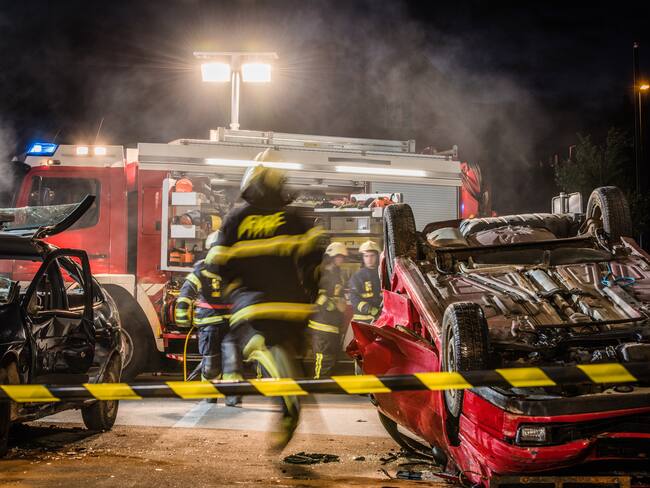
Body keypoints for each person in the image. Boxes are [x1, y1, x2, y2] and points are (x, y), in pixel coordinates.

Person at [206, 160, 324, 450]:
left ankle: (287, 397)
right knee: (292, 353)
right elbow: (314, 262)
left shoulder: (236, 219)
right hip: (295, 307)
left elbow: (215, 264)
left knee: (251, 343)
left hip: (254, 306)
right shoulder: (294, 218)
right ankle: (291, 393)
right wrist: (310, 295)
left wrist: (229, 293)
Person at [175, 232, 231, 393]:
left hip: (209, 325)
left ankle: (210, 396)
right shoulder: (235, 270)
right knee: (230, 361)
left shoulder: (200, 270)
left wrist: (183, 322)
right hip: (230, 325)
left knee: (211, 361)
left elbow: (185, 296)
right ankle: (231, 395)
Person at [308, 242, 348, 379]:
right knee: (323, 356)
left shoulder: (339, 275)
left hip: (333, 325)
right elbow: (316, 296)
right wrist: (332, 304)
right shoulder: (322, 273)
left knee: (332, 357)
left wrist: (341, 302)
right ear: (330, 256)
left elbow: (339, 294)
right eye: (338, 256)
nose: (340, 259)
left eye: (342, 257)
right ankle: (319, 383)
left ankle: (327, 384)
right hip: (321, 324)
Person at [349, 240, 382, 323]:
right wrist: (369, 309)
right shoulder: (357, 276)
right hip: (362, 320)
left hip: (380, 318)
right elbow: (354, 298)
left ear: (377, 257)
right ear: (363, 258)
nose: (369, 259)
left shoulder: (382, 274)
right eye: (366, 256)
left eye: (372, 256)